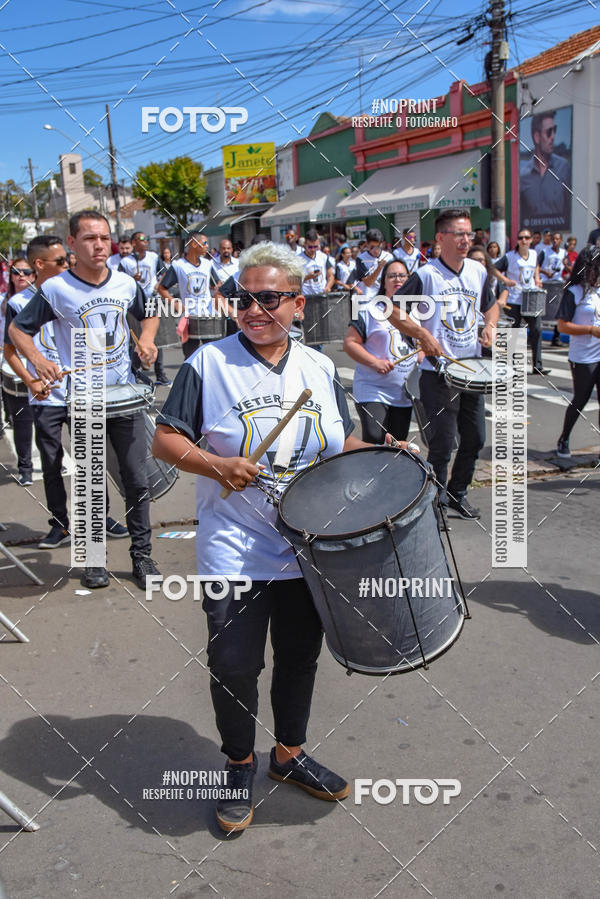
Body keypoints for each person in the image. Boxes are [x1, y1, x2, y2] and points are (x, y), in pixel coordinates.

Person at [152, 242, 415, 834]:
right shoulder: (207, 364)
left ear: (298, 303)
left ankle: (289, 756)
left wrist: (380, 450)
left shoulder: (318, 367)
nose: (254, 308)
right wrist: (219, 466)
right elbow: (165, 441)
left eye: (268, 298)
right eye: (244, 298)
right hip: (236, 546)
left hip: (309, 545)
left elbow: (341, 441)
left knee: (299, 658)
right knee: (234, 662)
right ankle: (238, 763)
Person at [8, 210, 161, 590]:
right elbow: (17, 329)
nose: (99, 244)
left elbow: (150, 315)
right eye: (90, 238)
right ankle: (94, 560)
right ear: (73, 243)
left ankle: (142, 556)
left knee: (136, 479)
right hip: (84, 401)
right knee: (93, 483)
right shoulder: (58, 289)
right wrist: (40, 362)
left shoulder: (126, 283)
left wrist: (147, 340)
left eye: (105, 238)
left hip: (125, 397)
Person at [4, 236, 129, 547]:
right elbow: (9, 350)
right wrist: (32, 379)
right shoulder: (18, 304)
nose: (68, 264)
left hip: (84, 392)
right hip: (47, 396)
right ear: (39, 264)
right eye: (60, 261)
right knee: (51, 462)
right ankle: (59, 524)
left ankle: (100, 518)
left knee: (92, 459)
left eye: (68, 258)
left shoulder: (78, 293)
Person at [389, 209, 499, 519]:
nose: (466, 240)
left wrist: (489, 327)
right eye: (459, 234)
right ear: (441, 238)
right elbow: (393, 310)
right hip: (437, 375)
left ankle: (457, 492)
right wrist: (423, 334)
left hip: (471, 371)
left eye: (469, 234)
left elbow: (491, 308)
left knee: (475, 437)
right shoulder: (427, 275)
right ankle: (434, 502)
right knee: (442, 444)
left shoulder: (477, 271)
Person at [344, 258, 415, 442]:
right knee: (375, 436)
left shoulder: (418, 311)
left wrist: (422, 353)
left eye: (402, 275)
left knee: (398, 443)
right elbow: (350, 343)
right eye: (392, 276)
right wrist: (375, 362)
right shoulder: (370, 310)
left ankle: (392, 472)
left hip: (403, 392)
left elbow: (423, 343)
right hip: (373, 388)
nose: (397, 279)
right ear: (384, 281)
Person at [555, 247, 600, 459]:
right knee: (581, 399)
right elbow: (562, 326)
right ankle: (564, 438)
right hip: (583, 358)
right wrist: (591, 330)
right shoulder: (574, 292)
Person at [119, 231, 170, 386]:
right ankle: (135, 371)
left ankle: (160, 373)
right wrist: (131, 279)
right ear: (134, 242)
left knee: (156, 338)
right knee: (137, 338)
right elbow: (120, 281)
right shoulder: (126, 262)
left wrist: (158, 284)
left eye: (147, 238)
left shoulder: (153, 257)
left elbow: (165, 273)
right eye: (142, 239)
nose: (146, 241)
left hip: (152, 300)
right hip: (135, 305)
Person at [495, 228, 548, 374]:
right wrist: (505, 280)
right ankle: (510, 366)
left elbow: (536, 265)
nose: (523, 240)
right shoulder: (509, 256)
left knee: (537, 330)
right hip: (513, 299)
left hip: (530, 298)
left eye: (526, 237)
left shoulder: (534, 254)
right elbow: (494, 268)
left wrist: (537, 278)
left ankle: (538, 365)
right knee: (514, 332)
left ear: (531, 240)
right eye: (520, 238)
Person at [2, 258, 36, 485]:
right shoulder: (5, 302)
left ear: (34, 274)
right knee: (21, 420)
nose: (21, 275)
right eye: (16, 272)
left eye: (26, 271)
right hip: (10, 363)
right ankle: (25, 467)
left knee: (47, 420)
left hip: (39, 364)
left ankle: (55, 458)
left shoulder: (42, 299)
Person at [157, 230, 215, 359]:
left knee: (212, 353)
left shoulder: (208, 264)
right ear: (194, 244)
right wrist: (175, 303)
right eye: (204, 243)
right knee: (190, 355)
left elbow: (216, 285)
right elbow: (162, 288)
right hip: (189, 318)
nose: (207, 246)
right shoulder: (178, 266)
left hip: (208, 316)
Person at [520, 111, 571, 228]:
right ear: (537, 137)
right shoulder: (522, 175)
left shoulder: (563, 167)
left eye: (555, 130)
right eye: (549, 132)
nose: (553, 137)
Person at [354, 228, 393, 304]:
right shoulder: (361, 259)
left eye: (378, 246)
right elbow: (368, 283)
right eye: (372, 247)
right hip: (367, 300)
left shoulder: (389, 257)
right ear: (367, 244)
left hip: (385, 299)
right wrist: (379, 268)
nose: (375, 250)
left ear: (382, 244)